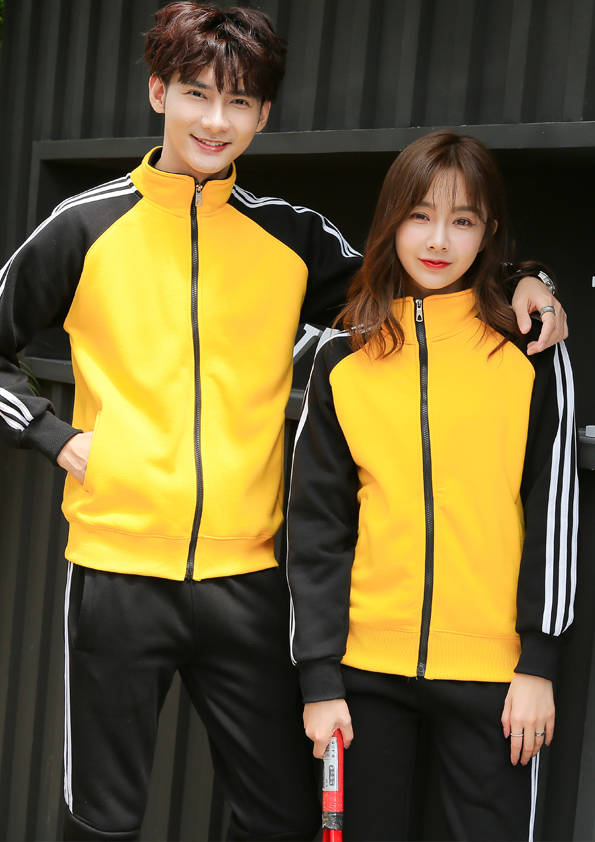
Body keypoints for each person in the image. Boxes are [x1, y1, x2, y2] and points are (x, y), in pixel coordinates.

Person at [0, 1, 566, 838]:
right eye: (196, 94)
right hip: (117, 573)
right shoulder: (84, 227)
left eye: (238, 102)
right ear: (158, 93)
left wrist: (521, 277)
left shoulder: (291, 237)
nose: (215, 121)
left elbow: (416, 277)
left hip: (251, 583)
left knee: (285, 816)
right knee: (104, 817)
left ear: (263, 115)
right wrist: (52, 435)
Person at [286, 130, 578, 842]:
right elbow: (316, 526)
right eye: (419, 215)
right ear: (391, 219)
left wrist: (538, 663)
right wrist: (319, 678)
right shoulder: (341, 356)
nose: (438, 239)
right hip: (363, 674)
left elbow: (555, 509)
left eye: (462, 219)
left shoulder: (530, 347)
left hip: (494, 678)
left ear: (489, 231)